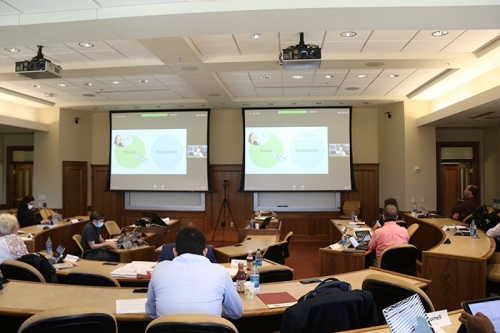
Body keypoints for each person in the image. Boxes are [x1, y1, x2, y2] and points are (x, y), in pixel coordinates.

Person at [145, 227, 243, 319]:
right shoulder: (220, 271)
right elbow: (236, 312)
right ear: (205, 252)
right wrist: (217, 311)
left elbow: (151, 312)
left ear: (174, 252)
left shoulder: (159, 269)